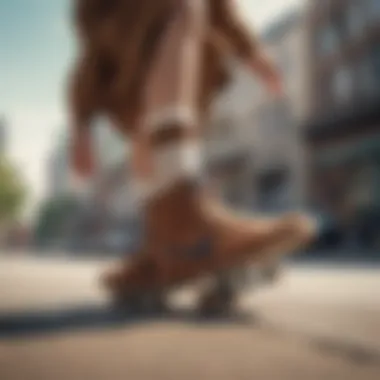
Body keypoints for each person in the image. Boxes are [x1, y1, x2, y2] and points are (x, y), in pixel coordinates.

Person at [68, 0, 317, 312]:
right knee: (184, 8)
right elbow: (91, 56)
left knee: (157, 121)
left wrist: (250, 50)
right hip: (127, 72)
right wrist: (80, 125)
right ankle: (185, 237)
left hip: (147, 78)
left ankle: (163, 244)